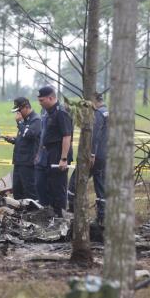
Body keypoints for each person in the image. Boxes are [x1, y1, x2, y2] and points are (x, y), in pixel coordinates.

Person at [68, 92, 108, 226]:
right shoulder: (108, 112)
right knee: (101, 186)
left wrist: (91, 154)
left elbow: (94, 135)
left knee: (75, 181)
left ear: (93, 100)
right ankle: (103, 217)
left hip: (95, 157)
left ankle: (73, 214)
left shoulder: (97, 114)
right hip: (106, 155)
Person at [34, 85, 73, 217]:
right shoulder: (44, 112)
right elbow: (44, 133)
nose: (40, 103)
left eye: (42, 100)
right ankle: (47, 211)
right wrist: (39, 154)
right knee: (40, 183)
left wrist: (63, 158)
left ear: (51, 98)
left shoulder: (61, 112)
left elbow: (67, 136)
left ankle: (60, 215)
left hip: (58, 152)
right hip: (45, 153)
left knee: (57, 187)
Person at [4, 96, 41, 200]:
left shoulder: (36, 120)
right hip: (19, 162)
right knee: (17, 190)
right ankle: (20, 214)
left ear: (26, 107)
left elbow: (29, 135)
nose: (18, 114)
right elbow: (23, 138)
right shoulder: (25, 121)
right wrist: (13, 140)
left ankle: (35, 213)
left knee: (30, 191)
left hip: (28, 162)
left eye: (19, 110)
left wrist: (19, 123)